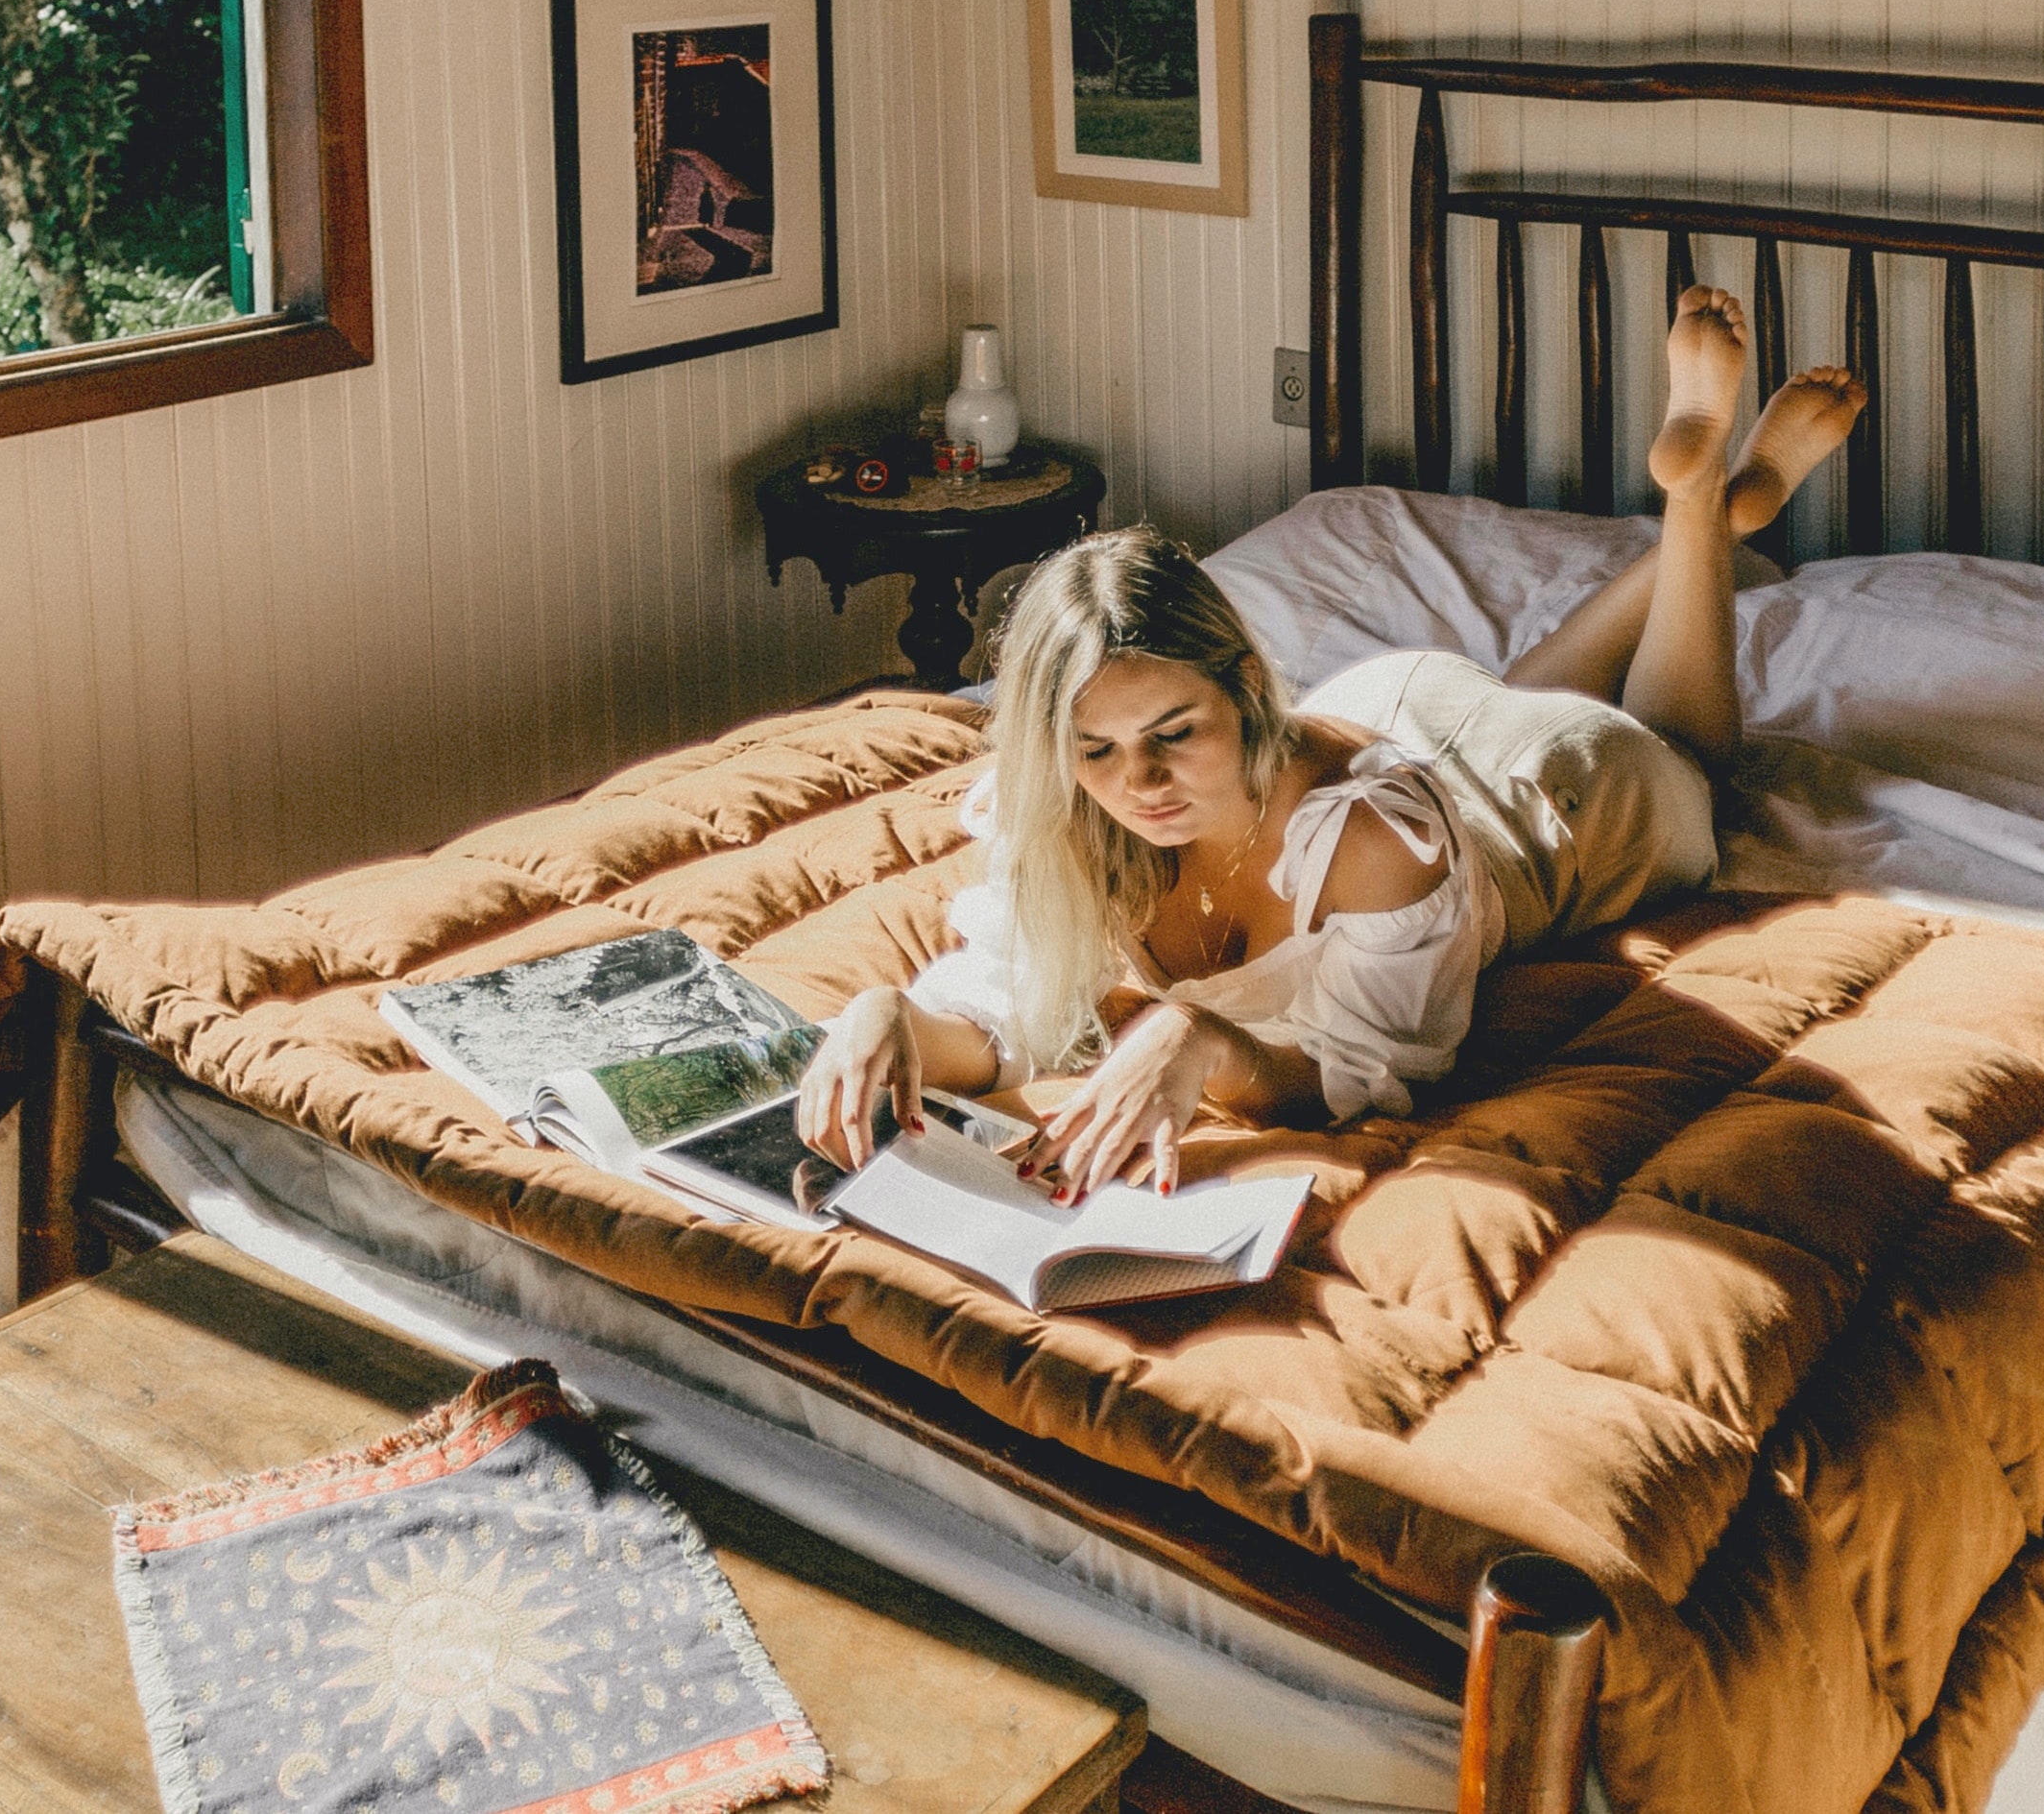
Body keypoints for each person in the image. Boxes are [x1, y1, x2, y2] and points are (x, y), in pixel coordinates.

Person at [793, 286, 1865, 1204]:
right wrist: (890, 1014)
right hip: (1395, 703)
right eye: (1098, 750)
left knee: (1688, 753)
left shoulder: (1376, 847)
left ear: (1248, 691)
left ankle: (1700, 494)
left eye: (1175, 734)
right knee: (1520, 677)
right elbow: (1010, 1007)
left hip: (1554, 798)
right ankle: (1719, 514)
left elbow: (1362, 1071)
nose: (1142, 784)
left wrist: (1200, 1039)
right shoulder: (1069, 806)